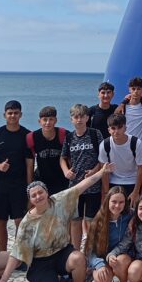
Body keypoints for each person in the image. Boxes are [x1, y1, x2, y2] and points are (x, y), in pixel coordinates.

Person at [0, 163, 114, 282]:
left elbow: (82, 185)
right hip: (41, 261)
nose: (38, 197)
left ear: (46, 192)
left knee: (78, 258)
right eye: (34, 195)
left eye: (40, 192)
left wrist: (101, 172)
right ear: (30, 200)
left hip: (62, 252)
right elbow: (17, 253)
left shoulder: (59, 200)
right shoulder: (27, 222)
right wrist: (3, 280)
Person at [0, 100, 33, 252]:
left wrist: (30, 189)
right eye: (10, 113)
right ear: (4, 115)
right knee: (0, 222)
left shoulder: (27, 135)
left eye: (16, 113)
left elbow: (30, 164)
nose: (13, 116)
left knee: (21, 221)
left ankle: (18, 255)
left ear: (21, 115)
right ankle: (4, 254)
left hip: (19, 186)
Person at [60, 103, 103, 248]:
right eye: (75, 117)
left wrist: (95, 171)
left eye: (82, 116)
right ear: (71, 119)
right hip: (75, 187)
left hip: (93, 185)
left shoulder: (95, 134)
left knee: (91, 220)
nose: (79, 120)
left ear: (87, 118)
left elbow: (103, 158)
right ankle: (75, 250)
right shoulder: (69, 137)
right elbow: (63, 158)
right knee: (75, 220)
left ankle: (90, 252)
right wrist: (66, 171)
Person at [84, 187, 132, 282]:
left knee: (121, 261)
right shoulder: (98, 221)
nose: (117, 205)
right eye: (114, 202)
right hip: (103, 258)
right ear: (107, 201)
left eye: (121, 202)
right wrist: (99, 265)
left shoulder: (130, 215)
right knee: (102, 279)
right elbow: (89, 250)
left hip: (122, 256)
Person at [99, 113, 142, 206]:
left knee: (133, 215)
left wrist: (136, 192)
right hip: (113, 182)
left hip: (133, 182)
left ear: (125, 128)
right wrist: (106, 193)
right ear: (108, 130)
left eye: (120, 127)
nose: (116, 131)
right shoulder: (104, 145)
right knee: (113, 214)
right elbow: (104, 171)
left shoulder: (136, 143)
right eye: (113, 128)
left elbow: (141, 168)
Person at [26, 106, 69, 196]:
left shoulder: (64, 134)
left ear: (56, 120)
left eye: (51, 119)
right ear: (39, 121)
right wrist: (30, 185)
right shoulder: (32, 137)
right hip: (42, 181)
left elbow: (71, 158)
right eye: (45, 119)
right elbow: (30, 163)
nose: (48, 122)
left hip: (62, 181)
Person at [122, 77, 142, 145]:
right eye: (133, 89)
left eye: (138, 89)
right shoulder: (123, 107)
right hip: (125, 145)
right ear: (129, 90)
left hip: (140, 147)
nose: (136, 91)